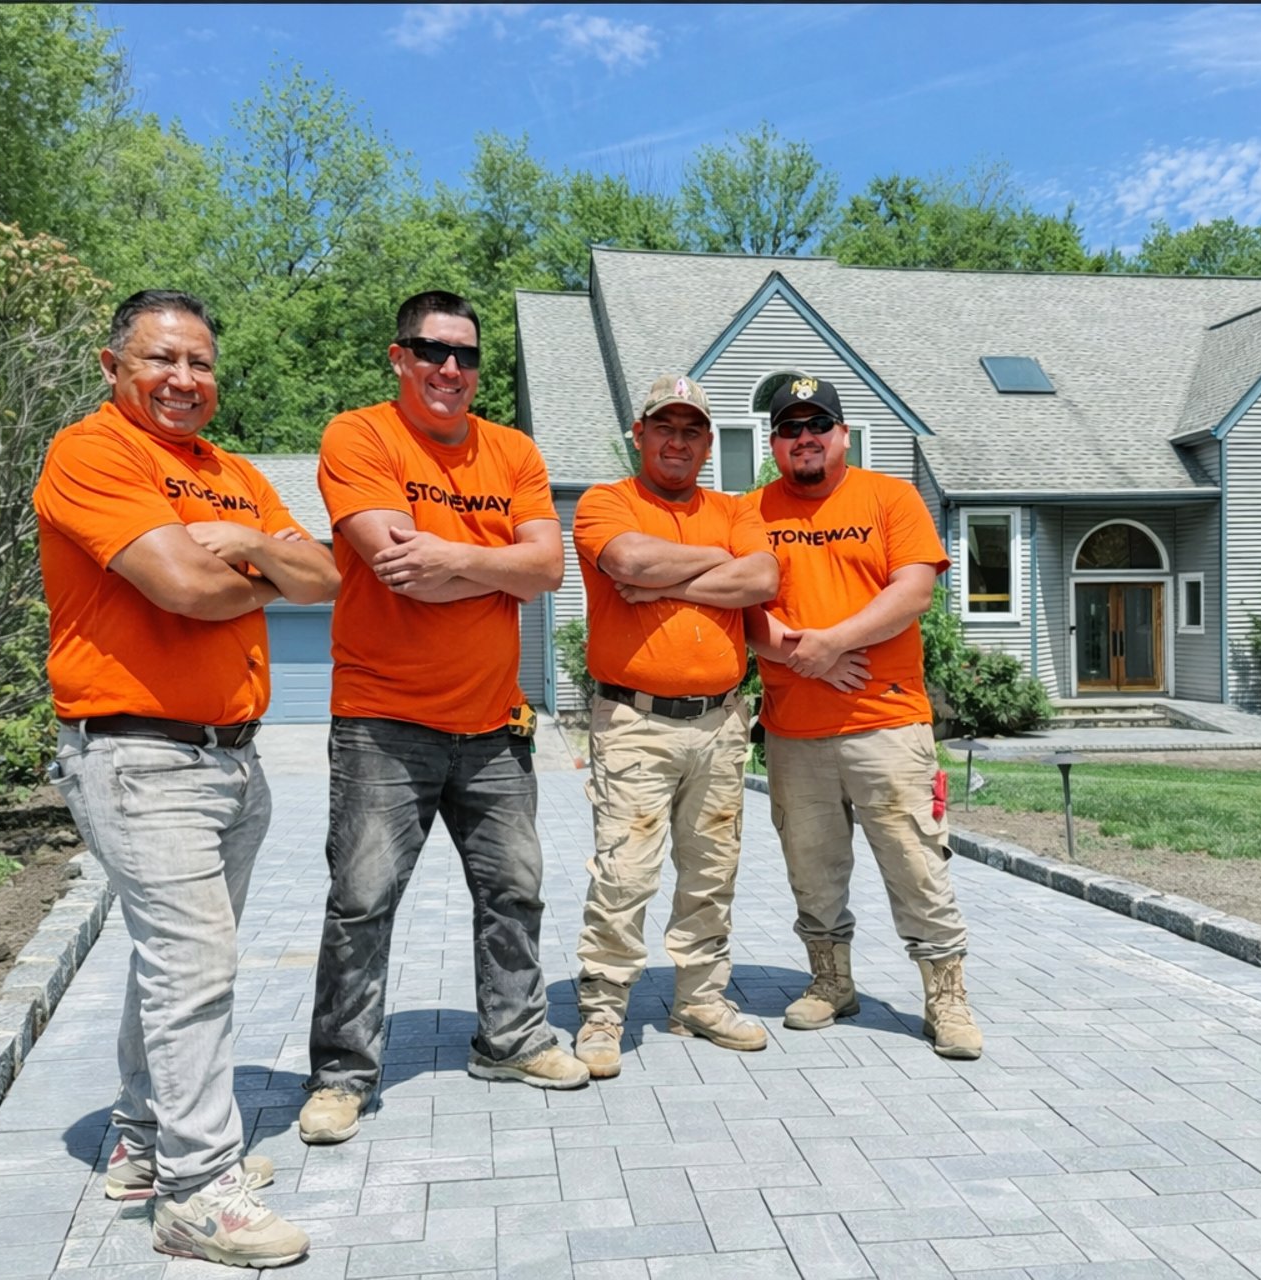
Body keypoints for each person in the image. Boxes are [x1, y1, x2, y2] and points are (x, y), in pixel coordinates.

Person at [37, 289, 338, 1268]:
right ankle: (197, 1190)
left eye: (201, 363)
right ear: (112, 364)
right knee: (195, 960)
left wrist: (249, 544)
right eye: (161, 360)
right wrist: (261, 573)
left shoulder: (236, 474)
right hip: (137, 752)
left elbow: (326, 578)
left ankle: (137, 1140)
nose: (183, 379)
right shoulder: (93, 454)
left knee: (179, 960)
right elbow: (178, 583)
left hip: (231, 754)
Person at [299, 290, 585, 1148]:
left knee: (515, 891)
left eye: (466, 355)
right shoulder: (360, 437)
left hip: (495, 727)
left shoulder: (513, 451)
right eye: (432, 351)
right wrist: (502, 565)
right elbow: (394, 564)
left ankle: (512, 1038)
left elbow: (549, 570)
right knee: (362, 900)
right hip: (383, 721)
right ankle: (343, 1075)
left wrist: (456, 556)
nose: (450, 370)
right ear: (399, 356)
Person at [568, 373, 804, 1078]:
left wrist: (665, 582)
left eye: (692, 429)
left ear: (707, 442)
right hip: (634, 721)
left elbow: (763, 580)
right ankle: (604, 1009)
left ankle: (698, 998)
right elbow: (628, 559)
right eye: (664, 427)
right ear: (639, 434)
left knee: (712, 871)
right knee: (625, 872)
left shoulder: (733, 509)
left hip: (721, 722)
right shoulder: (607, 502)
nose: (678, 440)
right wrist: (714, 565)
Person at [748, 375, 983, 1060]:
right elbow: (743, 612)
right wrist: (803, 657)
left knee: (917, 865)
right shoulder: (752, 511)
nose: (804, 438)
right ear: (776, 442)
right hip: (794, 734)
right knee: (811, 869)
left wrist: (833, 642)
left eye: (817, 424)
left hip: (887, 726)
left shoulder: (890, 497)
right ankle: (831, 984)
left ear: (842, 435)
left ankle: (947, 999)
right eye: (790, 429)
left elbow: (913, 590)